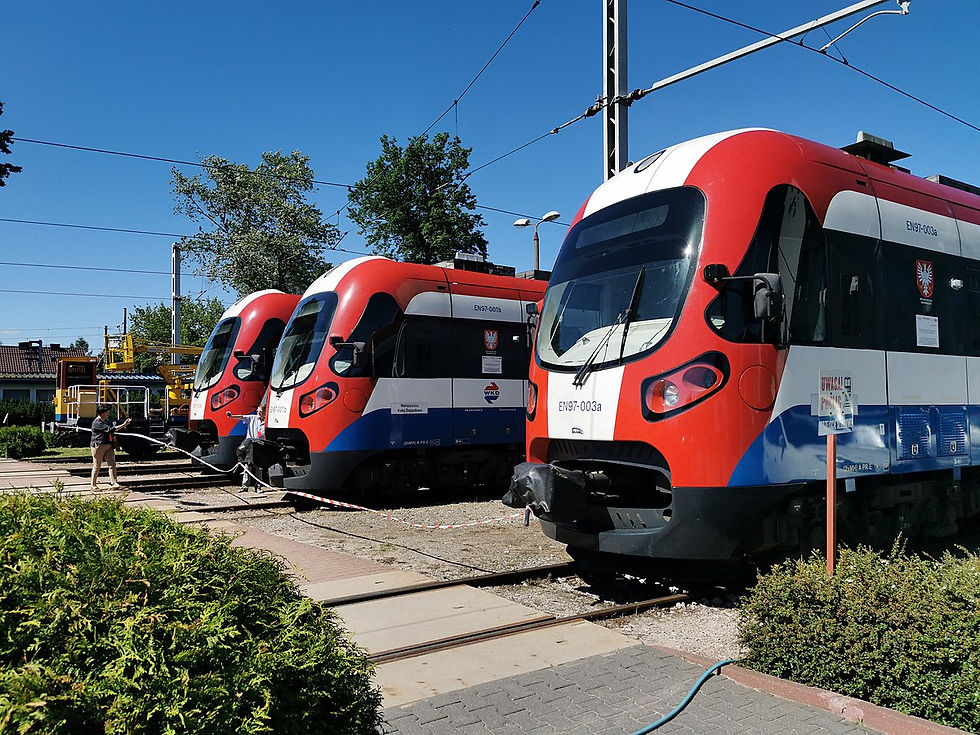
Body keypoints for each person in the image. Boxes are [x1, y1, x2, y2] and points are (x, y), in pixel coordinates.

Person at [90, 404, 131, 491]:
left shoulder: (107, 420)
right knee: (97, 466)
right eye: (106, 411)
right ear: (102, 413)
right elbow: (112, 429)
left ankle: (114, 483)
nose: (108, 413)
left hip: (108, 445)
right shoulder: (97, 422)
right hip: (98, 446)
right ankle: (93, 485)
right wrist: (124, 424)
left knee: (112, 464)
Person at [230, 402, 266, 492]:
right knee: (247, 466)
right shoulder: (252, 418)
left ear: (265, 412)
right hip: (250, 445)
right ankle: (245, 486)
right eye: (257, 411)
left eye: (260, 412)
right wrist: (231, 416)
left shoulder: (266, 422)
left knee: (259, 467)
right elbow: (242, 417)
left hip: (260, 445)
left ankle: (258, 487)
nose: (258, 413)